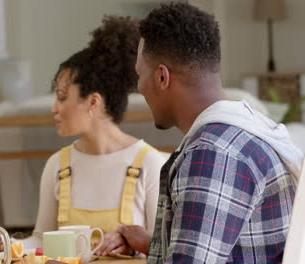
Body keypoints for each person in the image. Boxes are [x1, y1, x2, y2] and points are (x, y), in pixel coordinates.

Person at [118, 2, 304, 263]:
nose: (139, 87)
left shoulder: (214, 154)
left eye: (140, 75)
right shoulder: (245, 132)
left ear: (162, 78)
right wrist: (153, 243)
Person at [22, 16, 167, 256]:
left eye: (61, 96)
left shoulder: (150, 164)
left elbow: (161, 249)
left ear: (93, 102)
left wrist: (133, 247)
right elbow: (40, 239)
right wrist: (2, 242)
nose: (54, 108)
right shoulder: (57, 165)